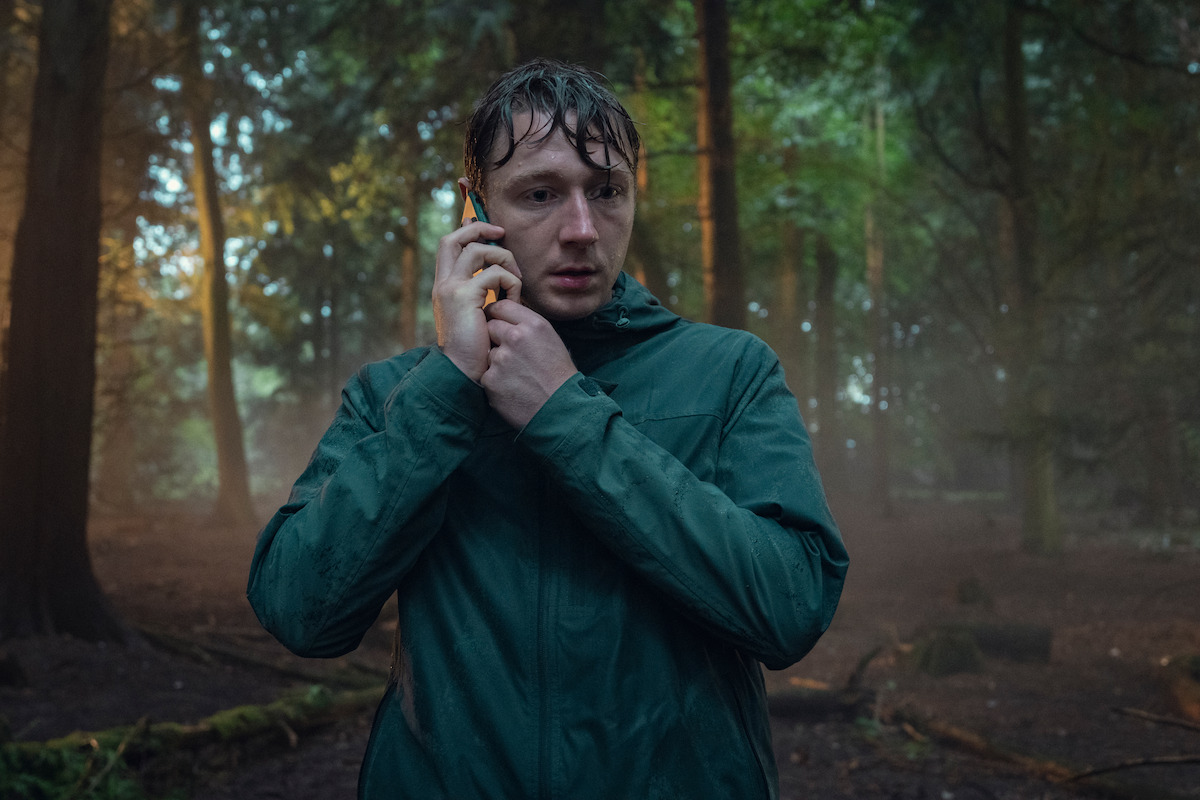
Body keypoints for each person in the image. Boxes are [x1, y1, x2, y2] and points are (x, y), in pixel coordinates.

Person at [248, 58, 848, 799]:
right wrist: (447, 390)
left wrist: (565, 412)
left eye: (607, 191)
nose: (582, 230)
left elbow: (791, 608)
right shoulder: (397, 396)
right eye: (540, 193)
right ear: (475, 210)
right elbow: (300, 609)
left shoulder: (731, 372)